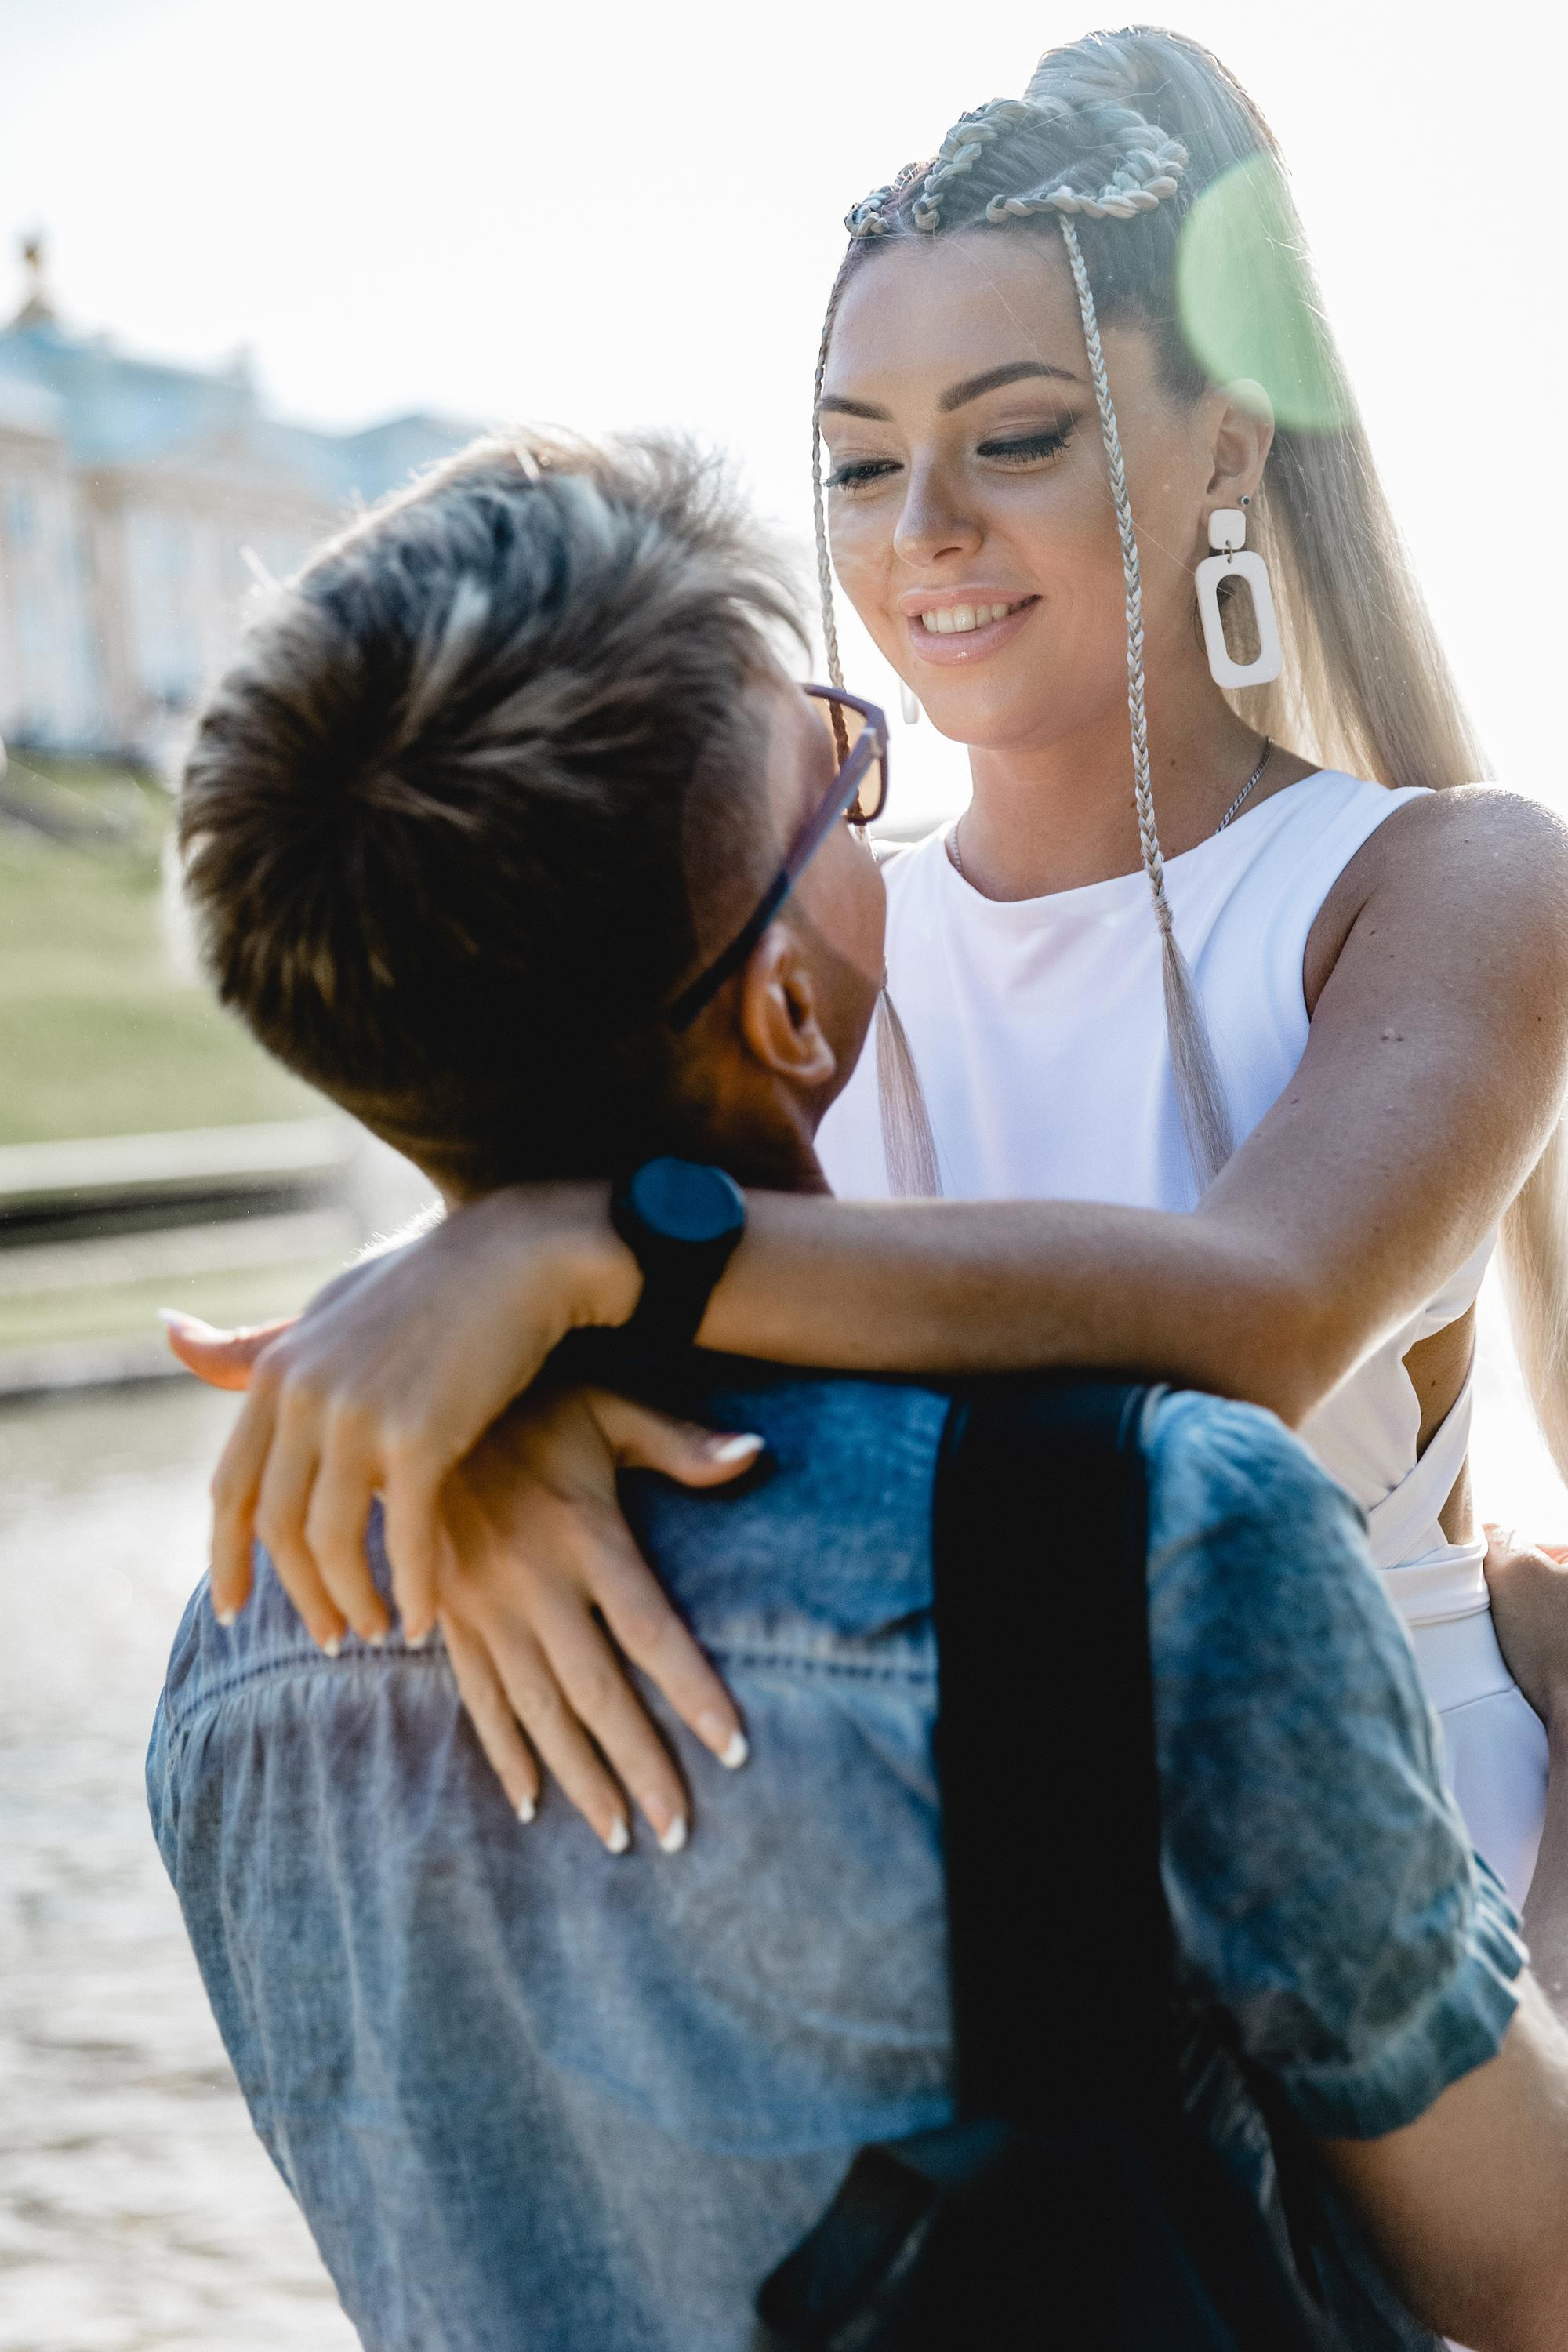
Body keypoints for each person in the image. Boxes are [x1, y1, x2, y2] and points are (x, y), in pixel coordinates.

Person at [154, 427, 1568, 2351]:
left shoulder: (243, 1641)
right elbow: (1527, 2263)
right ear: (794, 1005)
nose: (870, 764)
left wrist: (521, 1253)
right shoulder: (1142, 1538)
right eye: (834, 760)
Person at [174, 26, 1568, 1909]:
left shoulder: (1445, 881)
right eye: (855, 464)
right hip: (977, 1915)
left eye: (1015, 440)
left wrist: (587, 1262)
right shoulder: (810, 942)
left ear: (1224, 444)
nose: (924, 533)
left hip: (1423, 1900)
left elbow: (1258, 1313)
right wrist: (499, 1415)